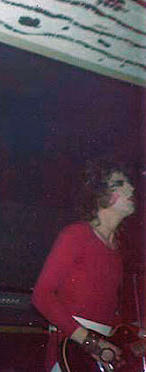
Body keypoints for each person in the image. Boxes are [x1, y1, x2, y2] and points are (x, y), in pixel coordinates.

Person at [32, 158, 141, 372]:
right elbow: (41, 296)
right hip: (71, 354)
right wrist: (91, 342)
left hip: (98, 357)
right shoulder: (76, 235)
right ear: (99, 195)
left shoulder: (117, 250)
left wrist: (133, 332)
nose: (132, 187)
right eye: (120, 183)